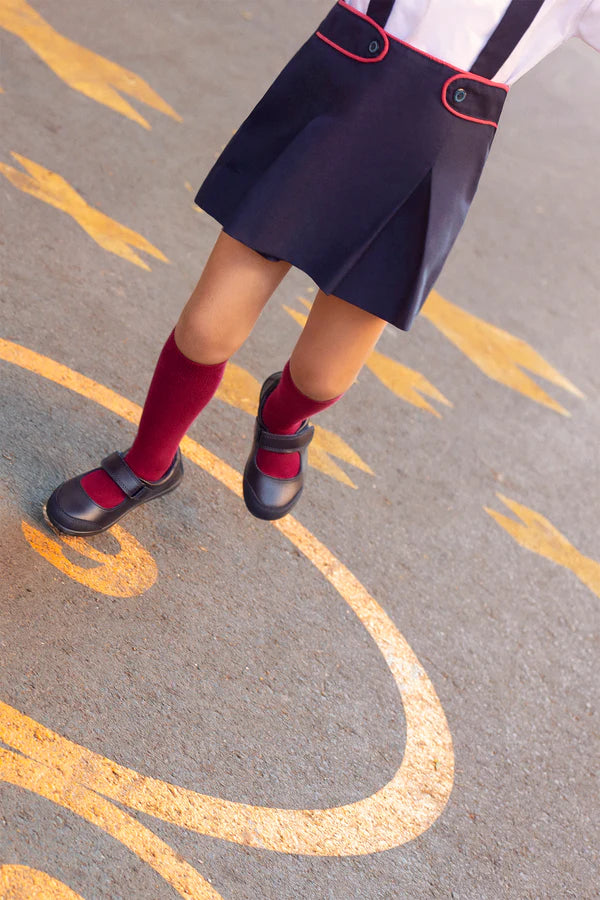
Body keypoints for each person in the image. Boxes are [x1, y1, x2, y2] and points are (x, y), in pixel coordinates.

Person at [44, 0, 599, 535]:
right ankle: (148, 464)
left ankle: (283, 421)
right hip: (333, 98)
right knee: (207, 329)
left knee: (323, 375)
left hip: (435, 151)